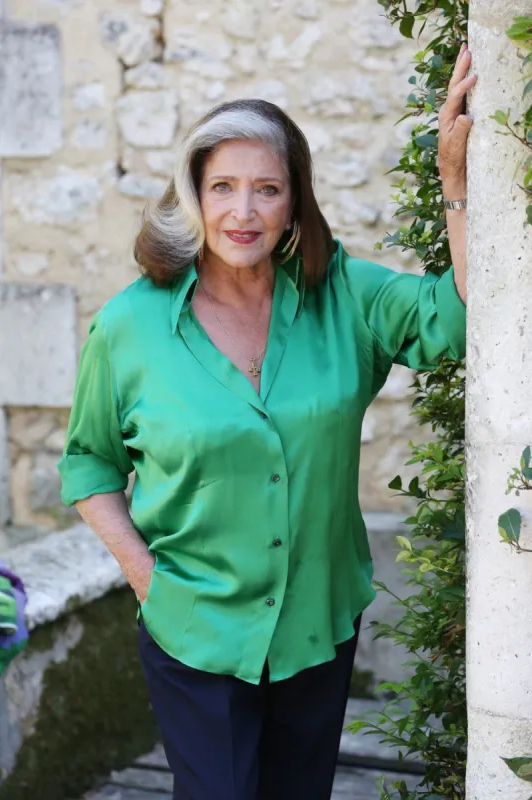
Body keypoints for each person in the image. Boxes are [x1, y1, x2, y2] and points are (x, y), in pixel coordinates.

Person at [58, 43, 476, 800]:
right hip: (195, 630)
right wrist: (147, 580)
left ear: (295, 202)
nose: (243, 212)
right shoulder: (129, 326)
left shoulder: (343, 295)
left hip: (317, 626)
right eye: (222, 187)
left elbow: (457, 317)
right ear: (193, 195)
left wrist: (455, 181)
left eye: (267, 189)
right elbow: (89, 464)